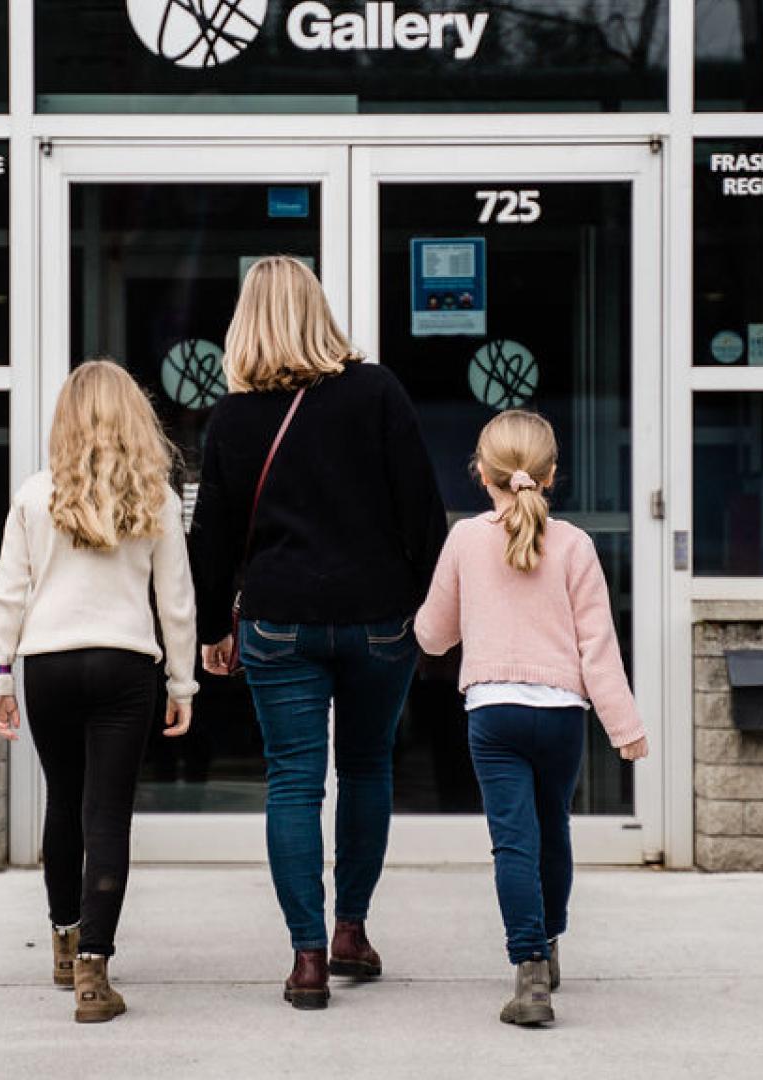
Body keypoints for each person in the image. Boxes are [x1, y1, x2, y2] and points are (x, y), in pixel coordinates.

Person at [190, 256, 447, 1010]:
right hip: (378, 621)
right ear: (318, 311)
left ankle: (305, 959)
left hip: (277, 622)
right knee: (366, 769)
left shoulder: (234, 417)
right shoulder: (376, 392)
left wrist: (211, 628)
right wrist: (437, 619)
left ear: (248, 322)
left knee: (293, 782)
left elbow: (211, 537)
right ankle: (349, 932)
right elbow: (424, 518)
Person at [413, 409, 649, 1027]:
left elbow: (434, 637)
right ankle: (549, 942)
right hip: (561, 717)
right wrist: (625, 728)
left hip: (493, 714)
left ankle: (529, 978)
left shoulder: (466, 538)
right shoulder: (576, 544)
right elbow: (597, 646)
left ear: (480, 472)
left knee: (513, 843)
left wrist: (419, 624)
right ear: (549, 476)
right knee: (554, 831)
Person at [0, 359, 197, 1024]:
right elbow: (178, 601)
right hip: (124, 662)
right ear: (134, 416)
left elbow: (7, 591)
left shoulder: (36, 494)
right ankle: (93, 977)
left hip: (47, 664)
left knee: (65, 802)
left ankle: (62, 940)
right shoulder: (153, 495)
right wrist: (182, 682)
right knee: (107, 814)